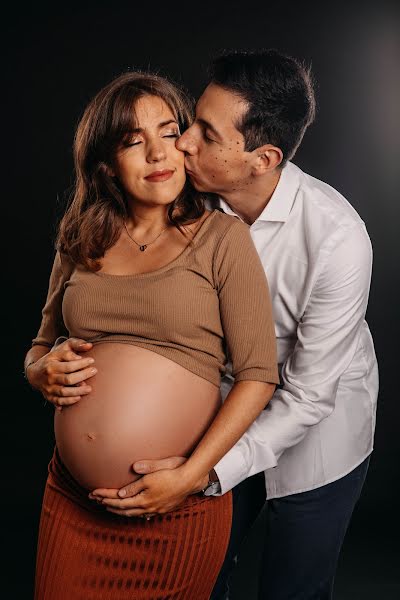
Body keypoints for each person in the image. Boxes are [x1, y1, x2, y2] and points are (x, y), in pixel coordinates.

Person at [89, 50, 379, 600]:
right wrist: (49, 353)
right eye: (191, 120)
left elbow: (309, 395)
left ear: (263, 157)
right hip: (209, 417)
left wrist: (203, 472)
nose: (182, 144)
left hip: (319, 431)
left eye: (205, 133)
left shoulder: (338, 240)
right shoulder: (180, 196)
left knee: (294, 589)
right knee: (196, 580)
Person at [24, 70, 279, 599]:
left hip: (179, 509)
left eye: (169, 132)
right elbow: (40, 343)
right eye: (133, 142)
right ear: (107, 163)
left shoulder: (222, 239)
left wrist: (191, 477)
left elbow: (259, 374)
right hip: (73, 505)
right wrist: (38, 371)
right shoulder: (79, 236)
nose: (158, 154)